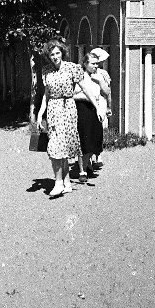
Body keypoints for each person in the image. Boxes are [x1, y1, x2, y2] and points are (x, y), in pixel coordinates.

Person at [36, 40, 98, 199]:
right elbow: (46, 95)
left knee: (61, 146)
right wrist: (40, 114)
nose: (55, 56)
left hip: (68, 109)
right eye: (52, 54)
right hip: (53, 110)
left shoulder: (72, 68)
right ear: (48, 56)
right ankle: (65, 182)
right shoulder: (46, 71)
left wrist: (97, 106)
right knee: (56, 146)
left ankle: (59, 183)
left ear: (62, 53)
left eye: (57, 53)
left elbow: (85, 88)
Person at [74, 52, 110, 181]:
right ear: (85, 64)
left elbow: (107, 92)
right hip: (82, 109)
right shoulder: (79, 76)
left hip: (96, 109)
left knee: (95, 139)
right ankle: (82, 171)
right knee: (84, 140)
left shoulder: (100, 75)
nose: (96, 66)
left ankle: (88, 165)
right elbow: (72, 94)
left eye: (97, 64)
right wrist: (86, 97)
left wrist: (100, 81)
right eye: (93, 63)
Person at [89, 47, 111, 169]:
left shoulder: (103, 74)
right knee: (89, 131)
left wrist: (108, 106)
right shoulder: (84, 73)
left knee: (99, 131)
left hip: (101, 102)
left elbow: (107, 92)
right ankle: (89, 158)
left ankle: (98, 154)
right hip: (89, 102)